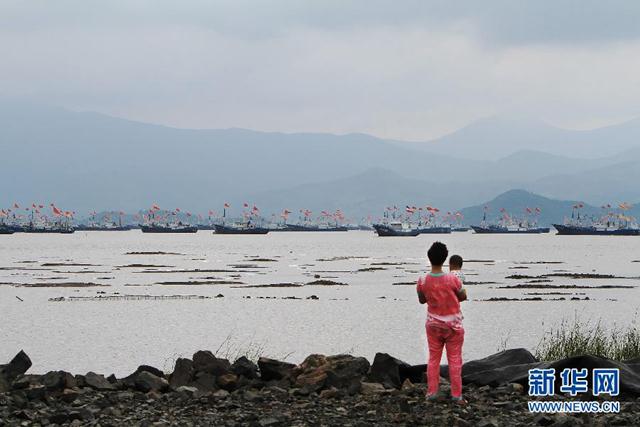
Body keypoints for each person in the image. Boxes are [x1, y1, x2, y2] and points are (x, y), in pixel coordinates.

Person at [417, 242, 467, 404]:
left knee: (433, 358)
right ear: (445, 258)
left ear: (429, 258)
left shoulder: (423, 280)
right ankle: (457, 395)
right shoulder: (453, 279)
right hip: (453, 326)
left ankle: (432, 392)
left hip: (433, 325)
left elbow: (422, 299)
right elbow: (462, 296)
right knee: (454, 359)